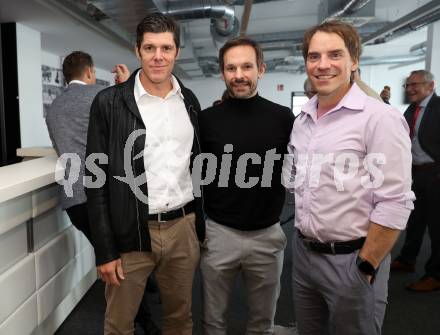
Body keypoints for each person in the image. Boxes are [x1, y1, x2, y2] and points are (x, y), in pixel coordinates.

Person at [287, 21, 414, 334]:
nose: (323, 65)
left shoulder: (380, 118)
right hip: (304, 257)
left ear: (354, 60)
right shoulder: (303, 120)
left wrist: (367, 264)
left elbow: (395, 202)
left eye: (335, 55)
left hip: (352, 260)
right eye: (314, 57)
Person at [85, 13, 205, 335]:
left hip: (182, 227)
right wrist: (105, 250)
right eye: (150, 48)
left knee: (180, 319)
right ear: (137, 50)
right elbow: (95, 182)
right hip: (132, 232)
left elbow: (194, 165)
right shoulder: (109, 103)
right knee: (119, 324)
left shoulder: (189, 101)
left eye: (166, 48)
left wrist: (197, 228)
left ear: (177, 51)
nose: (158, 57)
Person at [45, 52, 160, 335]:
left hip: (74, 199)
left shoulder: (54, 107)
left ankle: (142, 300)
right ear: (89, 72)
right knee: (124, 261)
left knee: (114, 256)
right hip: (104, 195)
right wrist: (124, 84)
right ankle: (143, 319)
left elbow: (61, 149)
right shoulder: (102, 95)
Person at [199, 37, 294, 334]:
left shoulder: (282, 118)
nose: (239, 74)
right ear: (222, 72)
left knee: (262, 323)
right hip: (218, 235)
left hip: (267, 235)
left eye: (246, 66)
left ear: (261, 69)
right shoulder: (206, 120)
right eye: (231, 68)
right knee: (213, 321)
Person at [391, 70, 440, 292]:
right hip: (416, 173)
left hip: (435, 174)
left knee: (437, 227)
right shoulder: (411, 109)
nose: (410, 89)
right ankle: (407, 259)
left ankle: (436, 275)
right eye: (407, 85)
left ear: (431, 86)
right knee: (414, 220)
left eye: (415, 85)